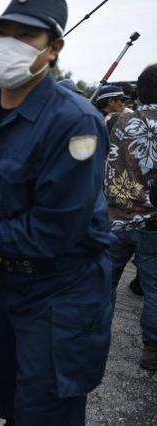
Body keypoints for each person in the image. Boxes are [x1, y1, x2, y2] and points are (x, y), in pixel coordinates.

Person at [0, 0, 115, 424]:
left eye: (27, 36)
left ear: (53, 49)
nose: (9, 44)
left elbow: (57, 229)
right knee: (5, 396)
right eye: (3, 33)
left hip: (63, 292)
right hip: (10, 286)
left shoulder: (75, 122)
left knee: (46, 411)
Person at [104, 63, 157, 371]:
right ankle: (151, 349)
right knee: (154, 289)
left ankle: (92, 335)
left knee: (103, 281)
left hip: (115, 217)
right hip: (152, 223)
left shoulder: (115, 118)